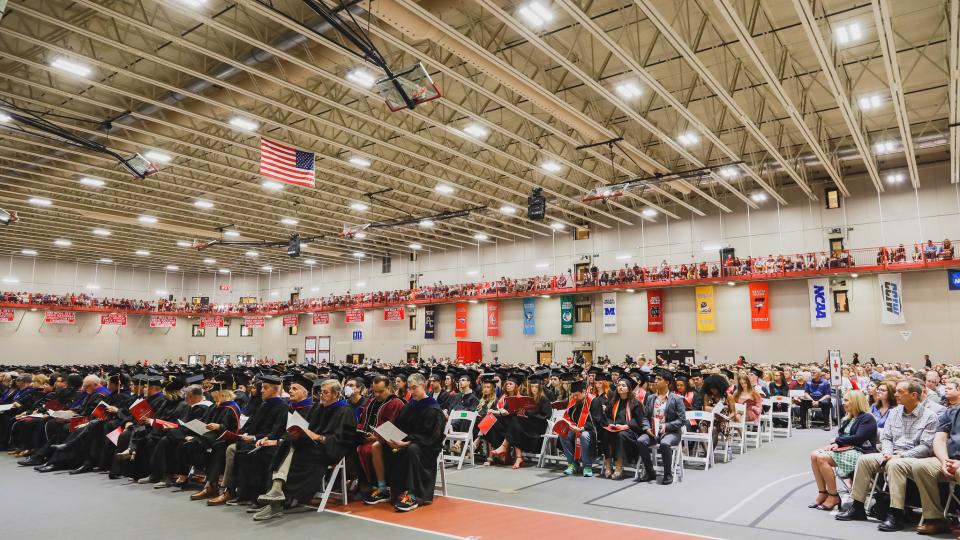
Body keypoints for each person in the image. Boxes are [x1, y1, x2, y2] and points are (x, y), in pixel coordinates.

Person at [835, 379, 939, 531]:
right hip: (891, 453)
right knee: (864, 460)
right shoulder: (894, 412)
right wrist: (888, 453)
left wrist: (901, 456)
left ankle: (896, 515)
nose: (895, 394)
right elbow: (887, 438)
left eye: (900, 392)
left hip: (913, 457)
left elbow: (926, 446)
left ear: (914, 395)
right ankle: (857, 507)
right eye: (895, 391)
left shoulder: (930, 416)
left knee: (895, 464)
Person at [253, 378, 356, 521]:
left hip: (329, 450)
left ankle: (278, 501)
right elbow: (306, 427)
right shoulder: (318, 407)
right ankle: (276, 493)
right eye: (321, 392)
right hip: (311, 445)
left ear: (336, 394)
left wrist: (318, 437)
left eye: (326, 392)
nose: (321, 395)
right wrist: (298, 433)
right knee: (285, 445)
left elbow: (343, 441)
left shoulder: (345, 411)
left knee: (299, 454)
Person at [894, 389, 960, 535]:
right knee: (921, 466)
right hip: (948, 459)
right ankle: (935, 519)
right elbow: (940, 439)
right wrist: (944, 460)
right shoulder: (951, 413)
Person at [383, 373, 446, 512]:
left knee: (412, 449)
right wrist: (391, 438)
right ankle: (396, 491)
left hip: (426, 448)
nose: (411, 391)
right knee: (385, 447)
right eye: (409, 388)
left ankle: (414, 495)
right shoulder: (411, 405)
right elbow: (399, 425)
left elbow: (431, 437)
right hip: (407, 442)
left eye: (414, 388)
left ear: (423, 386)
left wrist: (406, 443)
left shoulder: (433, 408)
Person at [808, 391, 877, 511]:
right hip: (847, 449)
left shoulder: (867, 418)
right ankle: (822, 492)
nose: (843, 403)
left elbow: (859, 438)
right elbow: (843, 437)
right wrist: (836, 444)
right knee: (814, 455)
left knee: (822, 458)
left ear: (856, 402)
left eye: (846, 400)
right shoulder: (849, 418)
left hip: (860, 452)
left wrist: (837, 441)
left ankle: (833, 496)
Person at [358, 375, 404, 504]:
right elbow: (363, 421)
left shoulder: (396, 403)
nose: (377, 394)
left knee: (369, 449)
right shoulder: (371, 402)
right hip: (369, 438)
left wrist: (376, 436)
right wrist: (361, 432)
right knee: (351, 447)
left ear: (389, 388)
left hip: (388, 441)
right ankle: (362, 485)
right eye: (374, 391)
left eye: (380, 391)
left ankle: (380, 487)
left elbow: (394, 428)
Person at [637, 369, 685, 484]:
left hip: (671, 432)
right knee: (640, 441)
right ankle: (650, 472)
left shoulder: (677, 399)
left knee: (665, 443)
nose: (655, 381)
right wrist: (647, 428)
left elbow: (682, 420)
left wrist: (667, 425)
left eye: (659, 379)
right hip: (653, 431)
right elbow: (645, 417)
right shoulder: (651, 398)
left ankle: (668, 473)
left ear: (667, 382)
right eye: (656, 378)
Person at [558, 379, 603, 477]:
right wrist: (568, 425)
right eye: (573, 395)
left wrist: (582, 428)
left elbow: (597, 421)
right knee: (563, 434)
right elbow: (568, 417)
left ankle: (587, 466)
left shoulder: (594, 401)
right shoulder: (574, 401)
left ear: (584, 391)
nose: (575, 397)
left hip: (591, 430)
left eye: (577, 395)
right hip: (575, 428)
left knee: (583, 435)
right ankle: (572, 464)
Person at [601, 377, 644, 480]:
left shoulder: (635, 403)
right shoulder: (613, 402)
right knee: (606, 433)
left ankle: (619, 467)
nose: (620, 387)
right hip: (615, 429)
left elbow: (639, 421)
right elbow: (607, 416)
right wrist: (611, 425)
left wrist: (625, 426)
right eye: (619, 385)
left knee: (621, 435)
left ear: (629, 389)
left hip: (630, 431)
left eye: (623, 386)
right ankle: (608, 465)